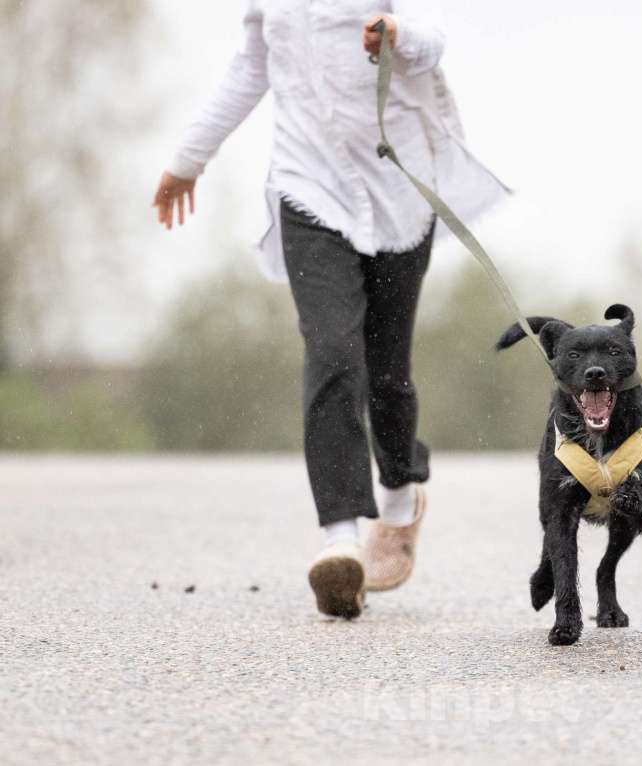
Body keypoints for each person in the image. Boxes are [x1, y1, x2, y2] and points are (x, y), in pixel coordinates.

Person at [153, 0, 507, 619]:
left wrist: (397, 34)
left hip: (398, 189)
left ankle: (400, 496)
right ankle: (340, 541)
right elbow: (250, 68)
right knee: (332, 352)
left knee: (387, 371)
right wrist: (188, 160)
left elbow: (434, 37)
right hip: (308, 190)